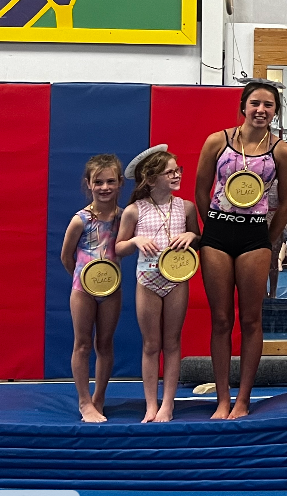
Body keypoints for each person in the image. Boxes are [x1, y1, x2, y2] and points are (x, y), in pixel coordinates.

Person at [195, 81, 287, 419]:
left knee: (251, 320)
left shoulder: (281, 150)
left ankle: (242, 399)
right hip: (218, 233)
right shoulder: (217, 141)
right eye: (255, 103)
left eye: (269, 105)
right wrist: (209, 226)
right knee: (221, 319)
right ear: (243, 105)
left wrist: (269, 237)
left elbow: (286, 202)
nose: (261, 110)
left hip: (255, 237)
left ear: (275, 111)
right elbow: (201, 189)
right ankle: (222, 398)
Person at [115, 146, 199, 422]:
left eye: (178, 170)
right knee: (151, 344)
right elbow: (119, 248)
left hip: (176, 281)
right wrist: (136, 241)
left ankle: (168, 404)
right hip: (147, 280)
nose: (176, 175)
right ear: (151, 179)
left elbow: (197, 237)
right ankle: (151, 403)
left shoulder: (185, 207)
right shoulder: (134, 211)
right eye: (169, 172)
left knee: (172, 342)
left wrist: (189, 235)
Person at [59, 154, 124, 423]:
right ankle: (84, 402)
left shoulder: (124, 217)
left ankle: (99, 398)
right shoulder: (81, 220)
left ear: (120, 182)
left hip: (112, 289)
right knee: (83, 344)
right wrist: (83, 279)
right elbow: (66, 256)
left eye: (110, 181)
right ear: (88, 184)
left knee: (105, 343)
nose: (105, 187)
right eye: (98, 182)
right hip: (82, 288)